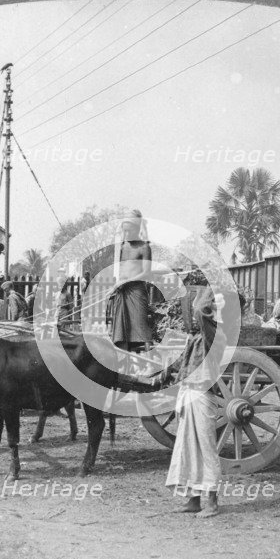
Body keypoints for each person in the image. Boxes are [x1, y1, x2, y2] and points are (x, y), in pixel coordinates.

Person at [163, 288, 227, 518]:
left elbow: (200, 310)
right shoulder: (199, 338)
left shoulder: (217, 336)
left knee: (205, 448)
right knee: (187, 447)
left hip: (203, 396)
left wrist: (208, 287)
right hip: (190, 393)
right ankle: (193, 499)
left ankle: (211, 503)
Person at [109, 209, 153, 352]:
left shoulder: (144, 247)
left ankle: (150, 361)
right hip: (122, 292)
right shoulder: (123, 247)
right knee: (121, 330)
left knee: (141, 327)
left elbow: (146, 273)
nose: (126, 234)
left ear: (137, 229)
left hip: (137, 292)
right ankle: (123, 362)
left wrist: (126, 282)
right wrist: (116, 286)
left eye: (129, 231)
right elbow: (122, 271)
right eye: (125, 231)